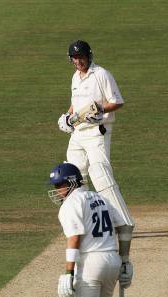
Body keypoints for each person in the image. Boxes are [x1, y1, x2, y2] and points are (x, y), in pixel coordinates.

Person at [48, 162, 134, 297]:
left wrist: (69, 272)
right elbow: (124, 226)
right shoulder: (100, 198)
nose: (58, 190)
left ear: (73, 182)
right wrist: (125, 261)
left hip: (91, 264)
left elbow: (74, 238)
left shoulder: (71, 204)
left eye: (61, 185)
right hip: (112, 261)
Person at [57, 40, 134, 262]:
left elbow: (117, 101)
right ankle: (79, 222)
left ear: (89, 56)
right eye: (74, 58)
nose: (78, 61)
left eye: (81, 57)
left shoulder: (101, 74)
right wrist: (67, 117)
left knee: (101, 176)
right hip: (78, 134)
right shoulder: (75, 77)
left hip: (97, 133)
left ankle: (120, 224)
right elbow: (75, 104)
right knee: (73, 176)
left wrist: (100, 109)